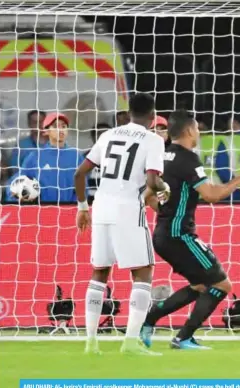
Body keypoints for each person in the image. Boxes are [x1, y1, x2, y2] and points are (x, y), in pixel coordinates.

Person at [139, 110, 240, 350]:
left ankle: (149, 321)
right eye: (198, 129)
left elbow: (147, 195)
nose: (199, 133)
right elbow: (211, 195)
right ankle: (183, 338)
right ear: (190, 130)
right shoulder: (188, 159)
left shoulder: (163, 157)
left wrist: (165, 213)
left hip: (163, 234)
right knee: (221, 285)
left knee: (201, 286)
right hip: (180, 235)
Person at [73, 93, 168, 356]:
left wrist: (83, 208)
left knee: (100, 271)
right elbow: (152, 182)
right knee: (143, 272)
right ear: (152, 116)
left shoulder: (108, 135)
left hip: (101, 207)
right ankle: (129, 343)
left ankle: (91, 344)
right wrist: (165, 188)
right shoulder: (153, 140)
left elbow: (80, 174)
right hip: (128, 209)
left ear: (128, 113)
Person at [7, 113, 85, 203]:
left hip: (70, 210)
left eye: (63, 126)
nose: (60, 130)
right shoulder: (35, 156)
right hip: (43, 211)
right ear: (46, 131)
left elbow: (83, 187)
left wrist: (76, 207)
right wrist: (17, 194)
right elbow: (14, 183)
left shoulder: (76, 156)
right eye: (55, 126)